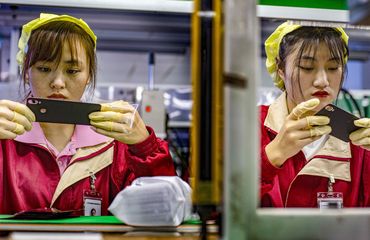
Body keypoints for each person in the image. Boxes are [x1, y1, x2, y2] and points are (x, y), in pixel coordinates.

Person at [0, 13, 178, 215]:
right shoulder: (4, 141)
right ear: (26, 73)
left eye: (73, 70)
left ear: (88, 76)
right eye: (44, 68)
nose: (57, 82)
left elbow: (163, 208)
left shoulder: (115, 144)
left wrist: (146, 148)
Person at [260, 21, 370, 208]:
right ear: (280, 68)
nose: (322, 81)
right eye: (307, 67)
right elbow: (218, 210)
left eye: (333, 67)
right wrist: (272, 155)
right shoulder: (249, 127)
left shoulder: (359, 142)